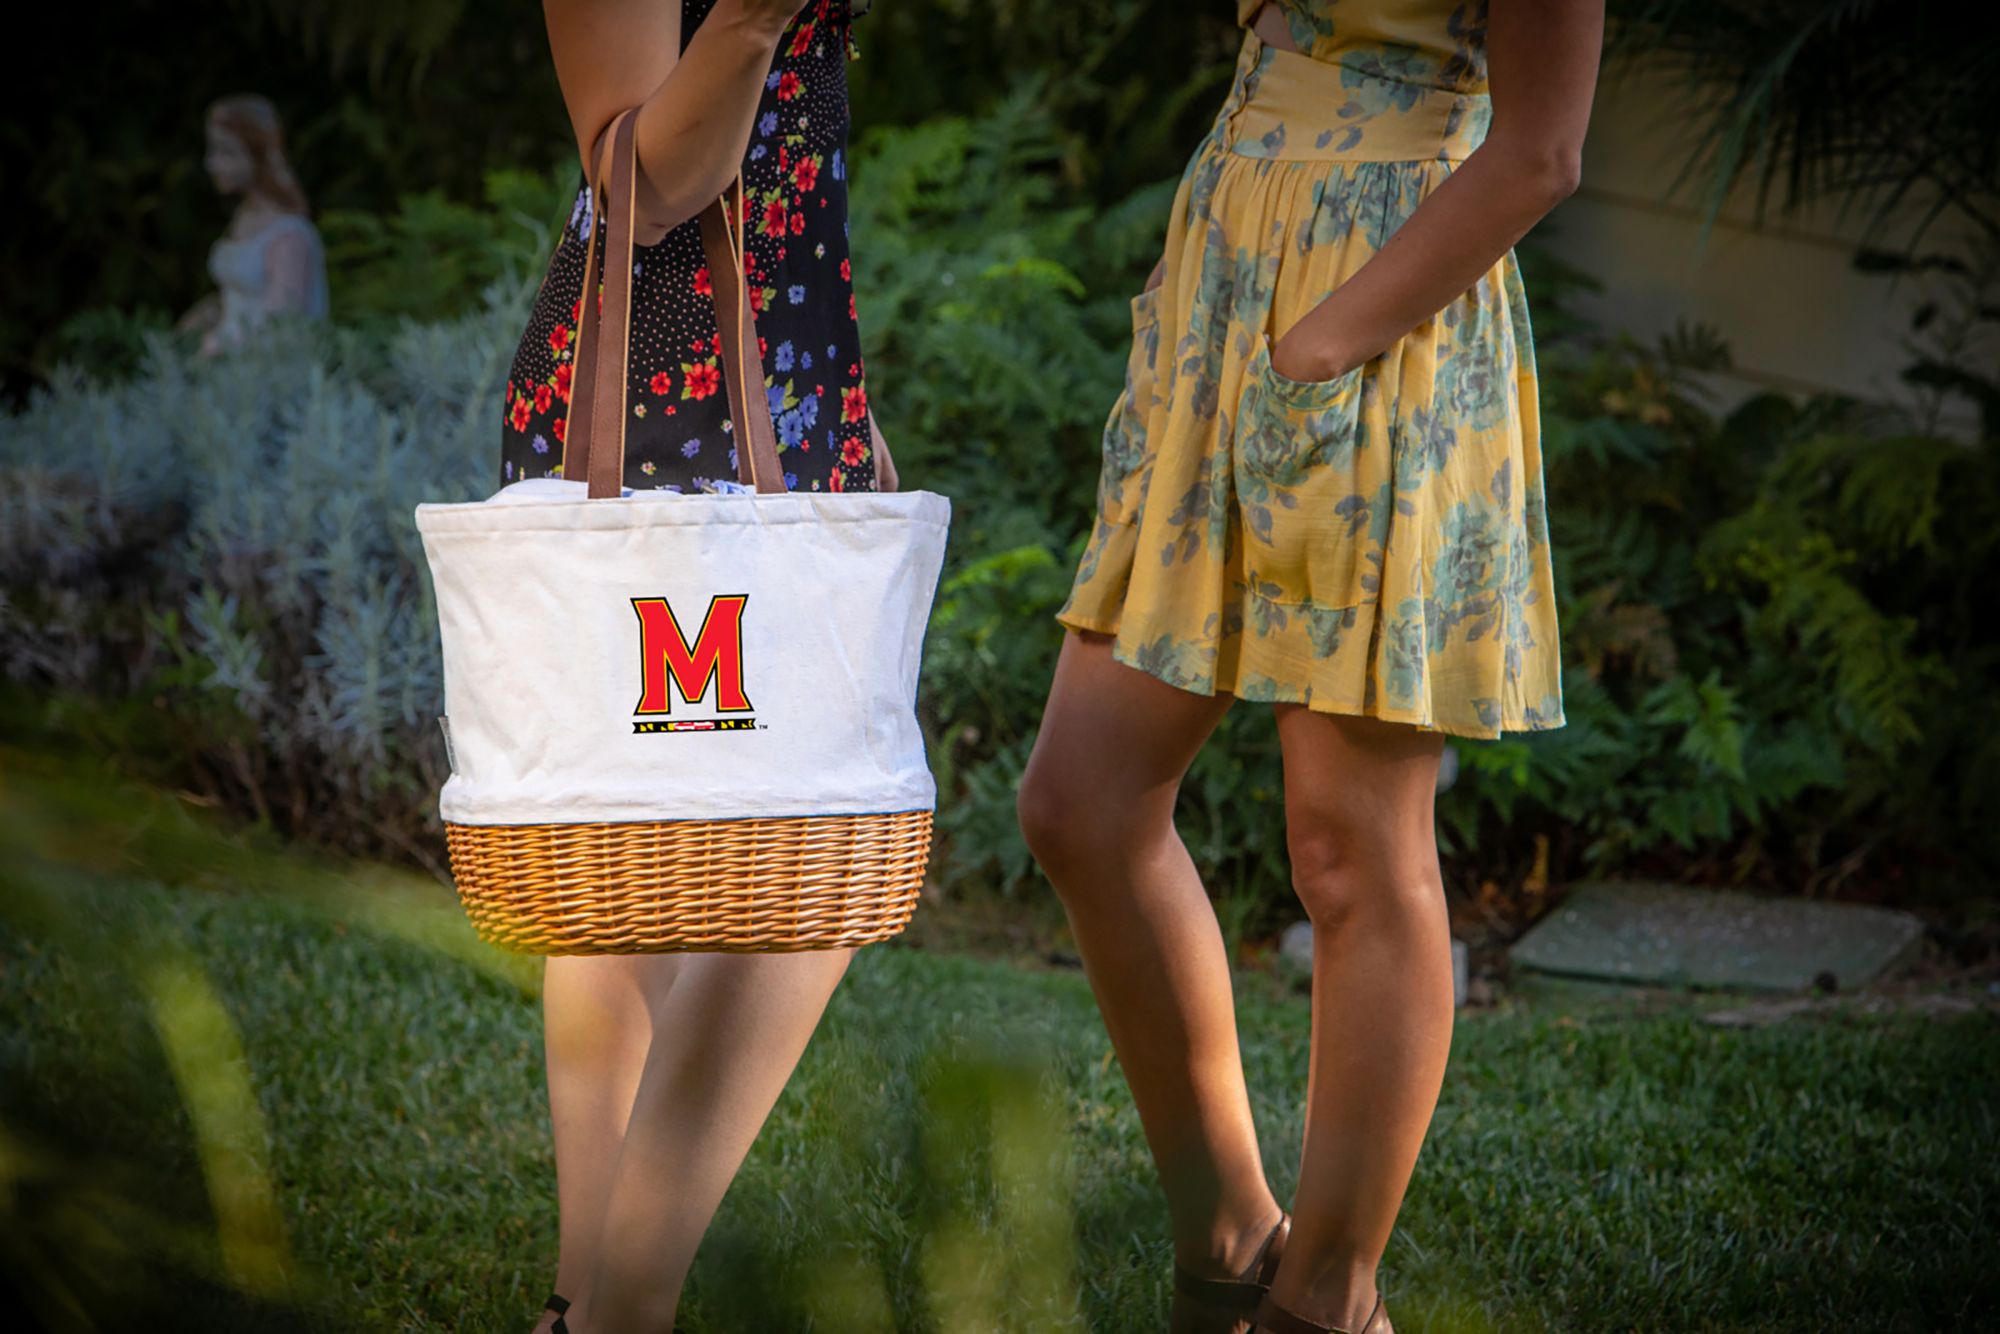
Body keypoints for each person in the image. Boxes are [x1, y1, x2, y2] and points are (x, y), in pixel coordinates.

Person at [1015, 3, 1601, 1332]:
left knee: (1348, 847)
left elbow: (1541, 149)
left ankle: (1328, 1297)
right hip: (1225, 281)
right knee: (1080, 803)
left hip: (1379, 314)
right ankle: (1228, 1243)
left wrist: (1320, 344)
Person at [501, 3, 894, 1331]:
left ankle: (587, 1303)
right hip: (649, 397)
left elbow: (796, 160)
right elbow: (650, 183)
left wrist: (841, 393)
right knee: (779, 848)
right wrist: (750, 21)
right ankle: (623, 1304)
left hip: (791, 375)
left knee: (677, 862)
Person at [179, 94, 330, 358]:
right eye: (213, 149)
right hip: (228, 361)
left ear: (257, 154)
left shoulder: (289, 234)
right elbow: (237, 299)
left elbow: (280, 325)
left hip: (262, 369)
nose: (211, 163)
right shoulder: (244, 215)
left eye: (226, 151)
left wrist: (209, 348)